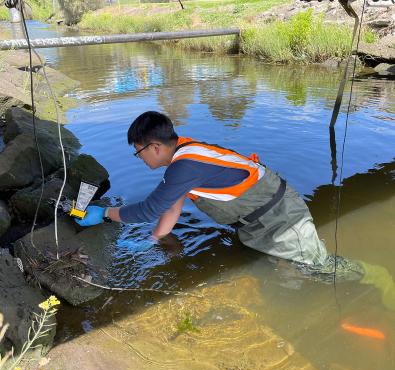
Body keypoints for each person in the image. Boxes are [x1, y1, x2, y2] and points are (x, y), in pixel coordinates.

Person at [76, 111, 395, 310]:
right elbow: (170, 209)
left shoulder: (185, 165)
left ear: (154, 147)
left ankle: (376, 276)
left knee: (318, 266)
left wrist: (103, 214)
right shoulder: (182, 158)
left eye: (138, 153)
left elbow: (150, 208)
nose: (140, 158)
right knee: (279, 265)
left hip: (283, 218)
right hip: (256, 221)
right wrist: (155, 240)